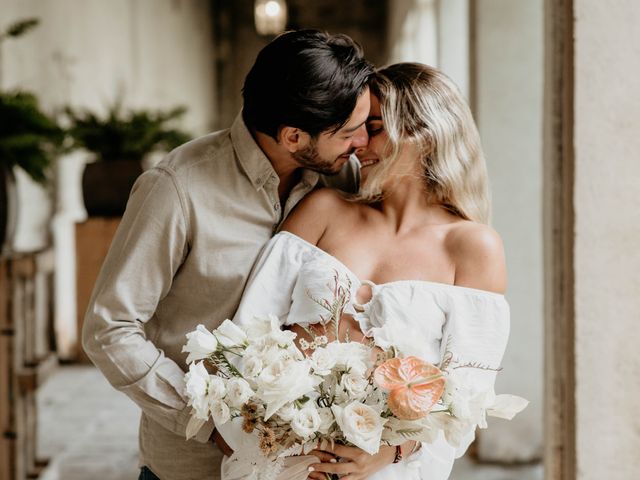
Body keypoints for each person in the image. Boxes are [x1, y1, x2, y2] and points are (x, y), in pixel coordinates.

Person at [81, 29, 373, 480]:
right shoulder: (177, 188)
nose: (361, 145)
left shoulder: (344, 180)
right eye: (351, 132)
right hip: (196, 468)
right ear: (294, 136)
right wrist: (209, 424)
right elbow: (109, 328)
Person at [217, 62, 510, 480]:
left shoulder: (473, 247)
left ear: (422, 133)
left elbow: (467, 399)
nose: (357, 143)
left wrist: (388, 453)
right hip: (282, 462)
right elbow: (248, 336)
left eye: (373, 127)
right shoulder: (323, 210)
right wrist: (279, 442)